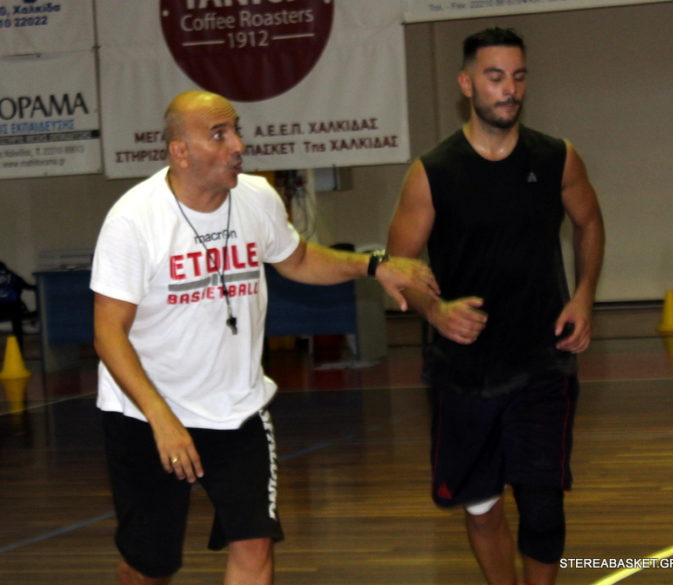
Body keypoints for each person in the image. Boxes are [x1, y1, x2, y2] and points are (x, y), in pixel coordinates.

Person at [91, 89, 440, 585]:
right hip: (146, 414)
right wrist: (161, 419)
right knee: (150, 566)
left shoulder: (256, 198)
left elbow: (298, 259)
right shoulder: (134, 220)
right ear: (180, 152)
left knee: (254, 544)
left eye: (236, 130)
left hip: (238, 408)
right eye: (219, 135)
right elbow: (108, 333)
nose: (238, 145)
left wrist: (373, 265)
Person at [387, 28, 604, 585]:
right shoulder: (433, 173)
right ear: (466, 85)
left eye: (518, 76)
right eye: (495, 77)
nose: (510, 89)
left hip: (542, 363)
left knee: (543, 508)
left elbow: (589, 222)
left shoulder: (557, 158)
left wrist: (584, 294)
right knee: (482, 508)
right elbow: (398, 266)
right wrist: (435, 311)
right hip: (465, 373)